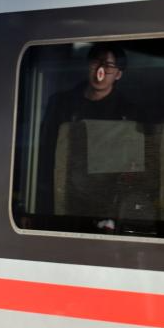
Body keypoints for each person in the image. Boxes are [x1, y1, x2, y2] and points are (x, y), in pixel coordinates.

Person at [34, 42, 138, 217]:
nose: (100, 71)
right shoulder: (60, 103)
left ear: (118, 74)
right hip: (61, 195)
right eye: (96, 63)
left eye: (108, 66)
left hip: (105, 204)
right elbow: (44, 153)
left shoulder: (128, 112)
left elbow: (132, 166)